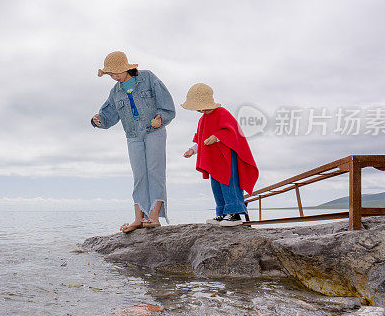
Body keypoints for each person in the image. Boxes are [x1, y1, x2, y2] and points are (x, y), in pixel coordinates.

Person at [91, 51, 175, 233]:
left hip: (154, 131)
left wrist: (161, 117)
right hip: (133, 135)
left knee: (155, 172)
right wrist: (98, 120)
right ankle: (139, 218)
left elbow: (166, 104)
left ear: (126, 68)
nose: (114, 77)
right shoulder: (115, 91)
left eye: (116, 73)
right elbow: (108, 116)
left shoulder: (148, 78)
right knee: (139, 176)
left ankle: (153, 217)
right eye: (110, 74)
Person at [181, 83, 259, 226]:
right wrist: (193, 149)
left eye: (198, 105)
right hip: (213, 161)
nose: (197, 109)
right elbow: (200, 138)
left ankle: (234, 214)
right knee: (216, 186)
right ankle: (223, 213)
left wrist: (217, 137)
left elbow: (232, 132)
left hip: (226, 159)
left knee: (229, 183)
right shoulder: (202, 119)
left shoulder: (222, 113)